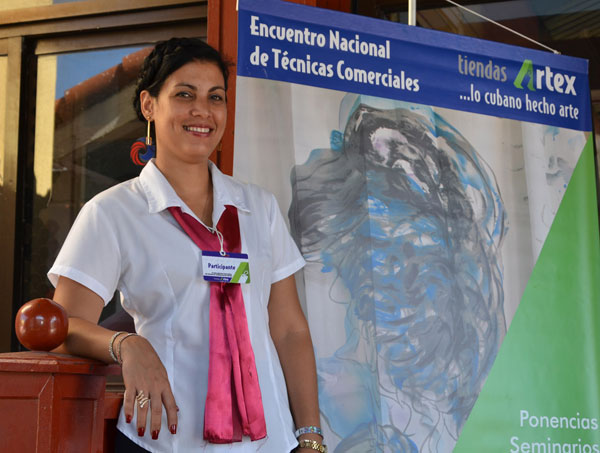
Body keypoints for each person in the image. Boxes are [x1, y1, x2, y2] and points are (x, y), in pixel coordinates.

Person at [49, 37, 324, 453]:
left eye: (215, 97)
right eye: (184, 94)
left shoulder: (259, 208)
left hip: (270, 444)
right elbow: (64, 326)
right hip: (165, 442)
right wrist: (127, 345)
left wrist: (310, 436)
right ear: (149, 105)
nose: (202, 111)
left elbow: (289, 330)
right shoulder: (113, 212)